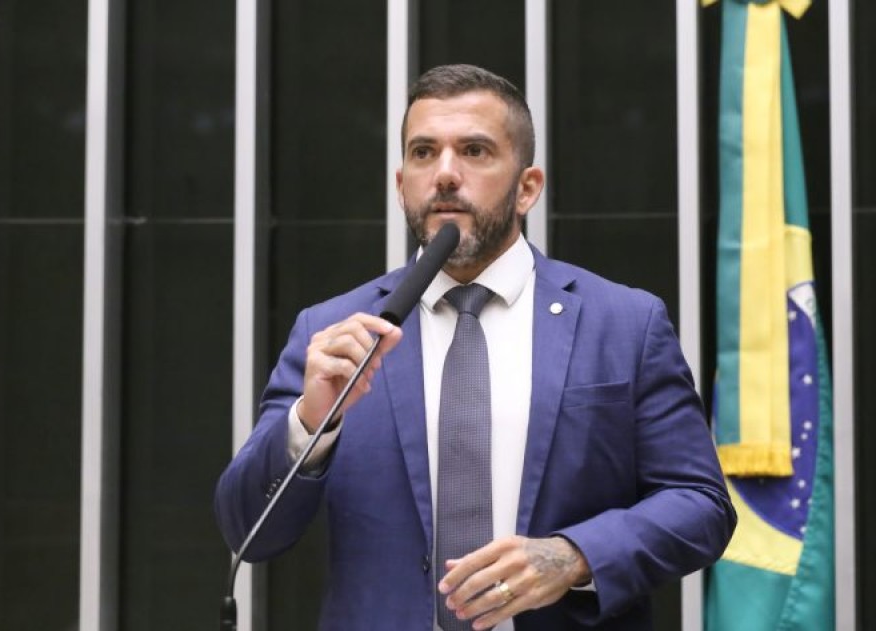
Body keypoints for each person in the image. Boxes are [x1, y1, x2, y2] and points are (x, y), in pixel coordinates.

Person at [215, 64, 735, 631]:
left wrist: (573, 556)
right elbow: (248, 532)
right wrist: (311, 425)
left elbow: (700, 505)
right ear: (401, 184)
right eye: (423, 152)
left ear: (527, 188)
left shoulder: (624, 324)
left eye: (474, 151)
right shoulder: (334, 332)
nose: (444, 174)